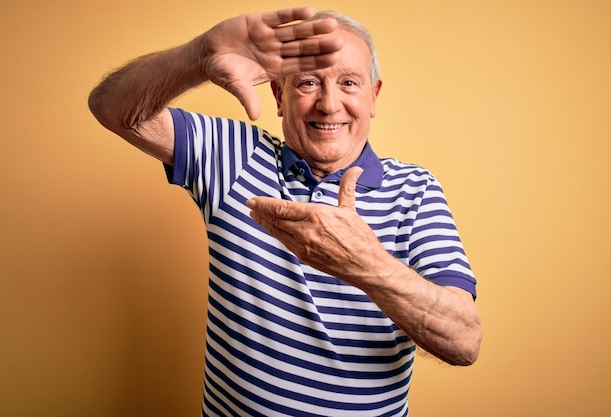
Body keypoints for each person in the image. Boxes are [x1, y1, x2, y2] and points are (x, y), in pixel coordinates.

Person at [88, 7, 481, 416]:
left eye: (349, 83)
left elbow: (464, 341)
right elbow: (111, 107)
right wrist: (197, 58)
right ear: (278, 95)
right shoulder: (234, 155)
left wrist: (365, 264)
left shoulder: (415, 191)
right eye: (309, 82)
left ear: (373, 96)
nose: (329, 105)